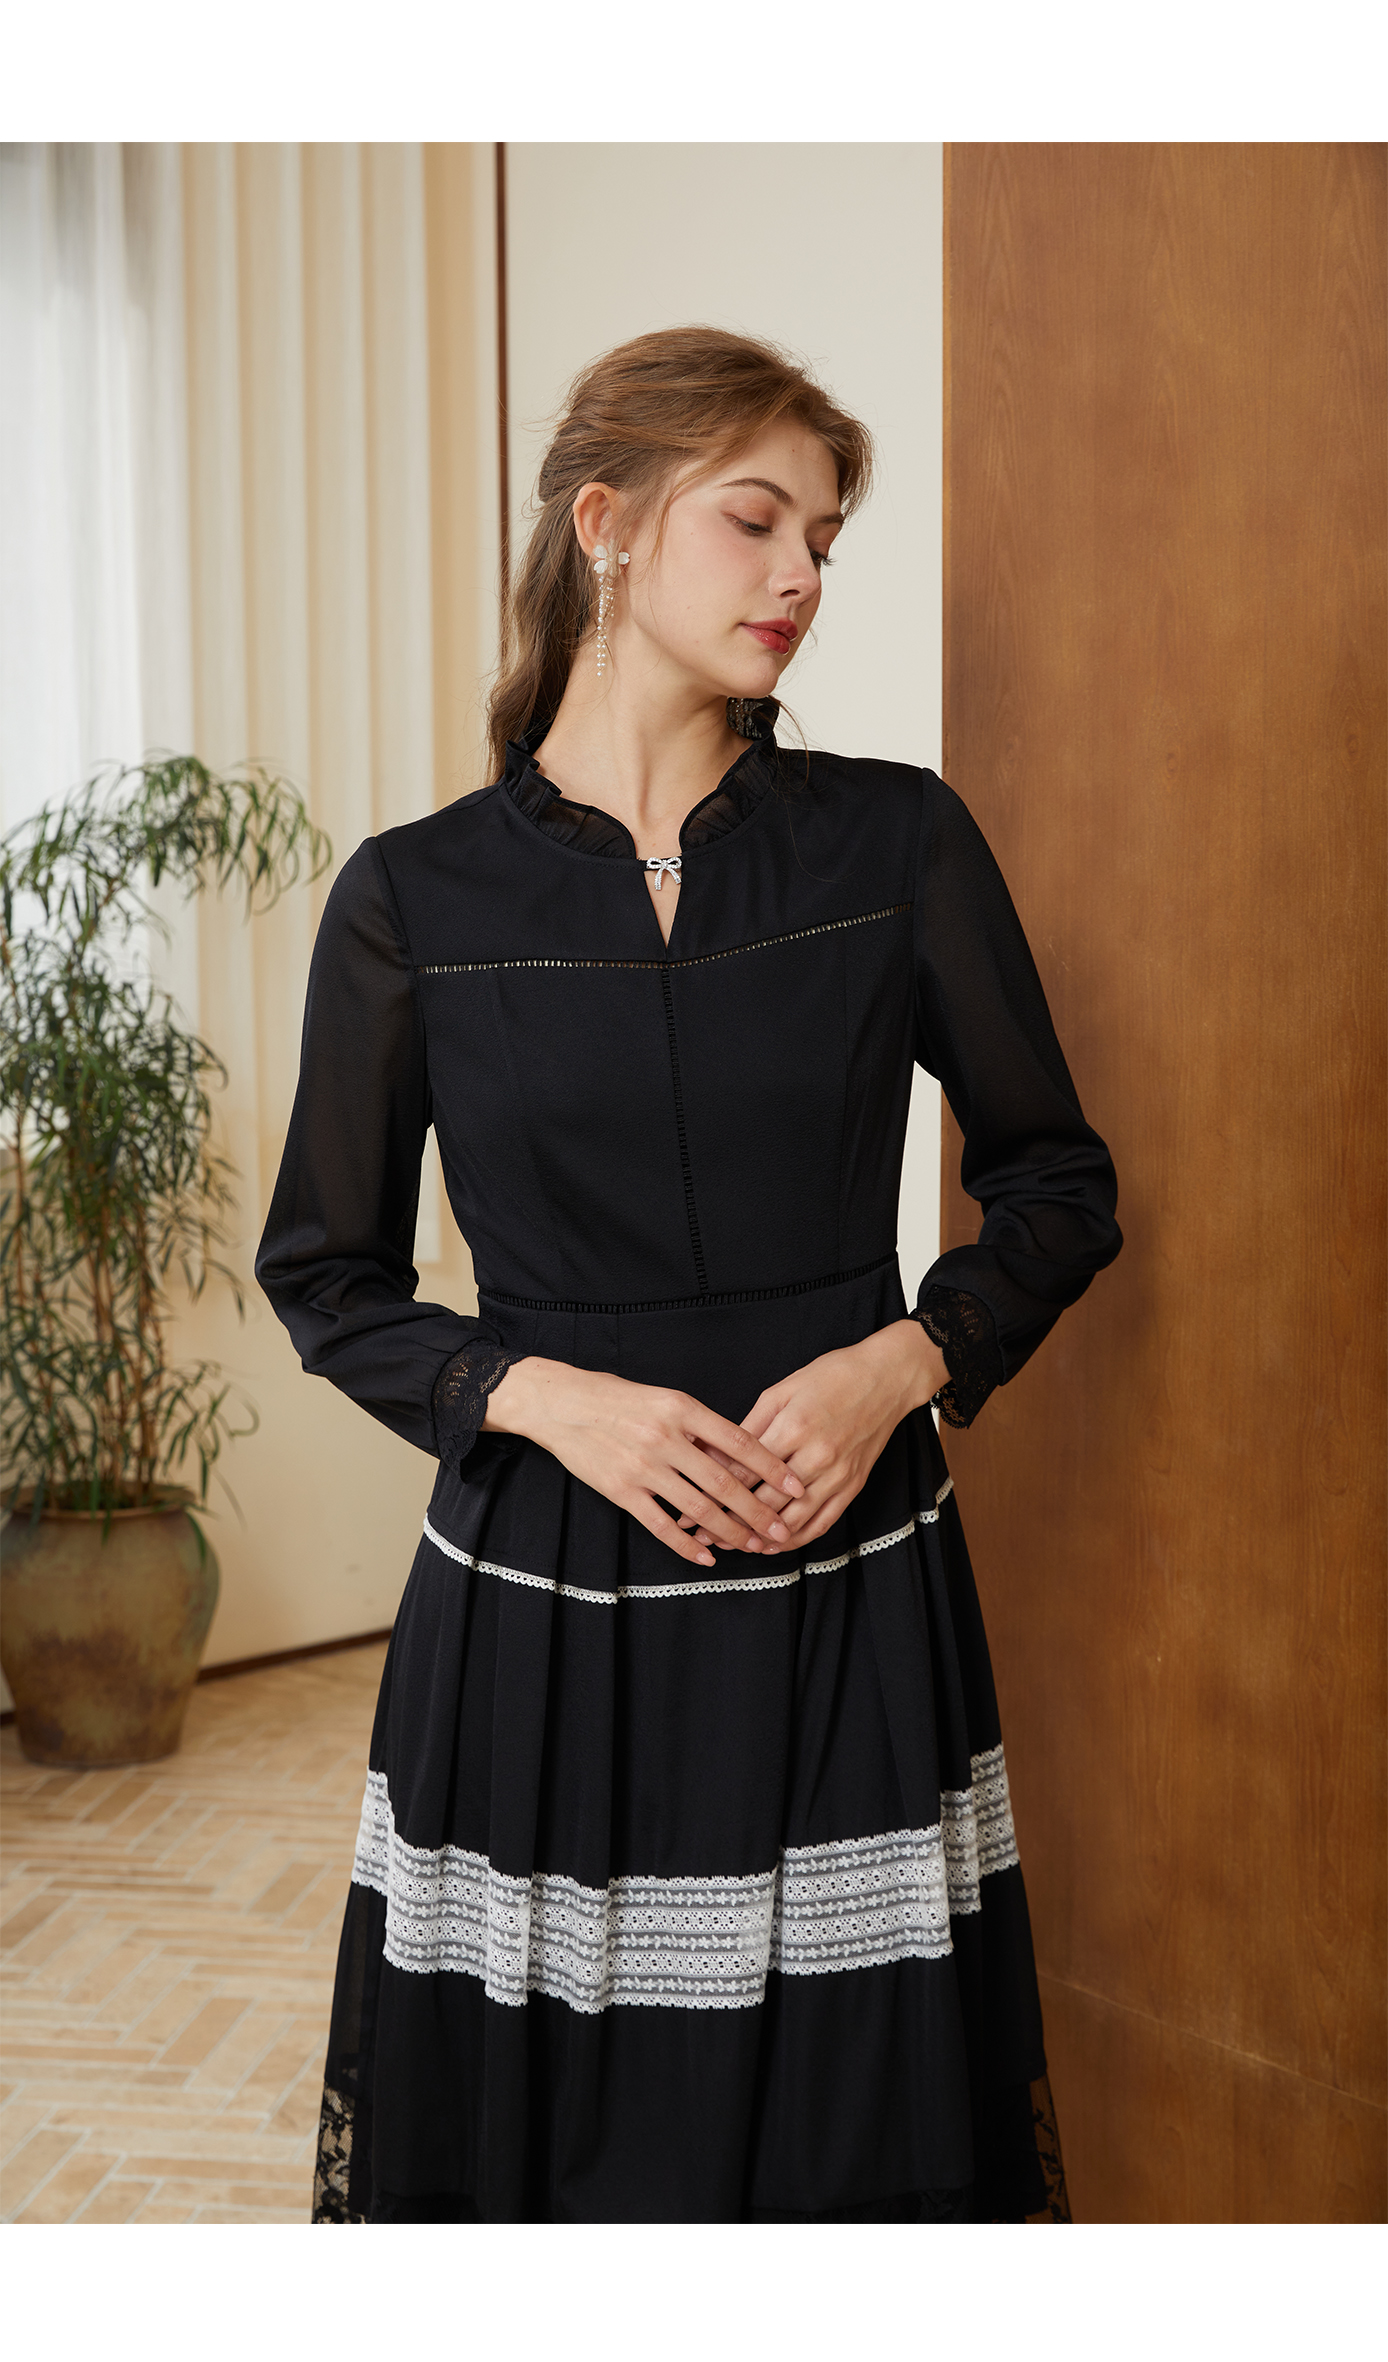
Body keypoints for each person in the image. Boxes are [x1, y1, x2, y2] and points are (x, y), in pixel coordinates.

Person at [256, 325, 1122, 2223]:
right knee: (552, 2165)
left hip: (850, 1587)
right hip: (539, 1617)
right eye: (758, 519)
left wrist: (903, 1359)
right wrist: (542, 1396)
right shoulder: (413, 899)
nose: (802, 570)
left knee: (856, 2147)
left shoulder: (896, 843)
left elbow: (1059, 1184)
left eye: (825, 537)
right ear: (609, 526)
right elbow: (326, 1273)